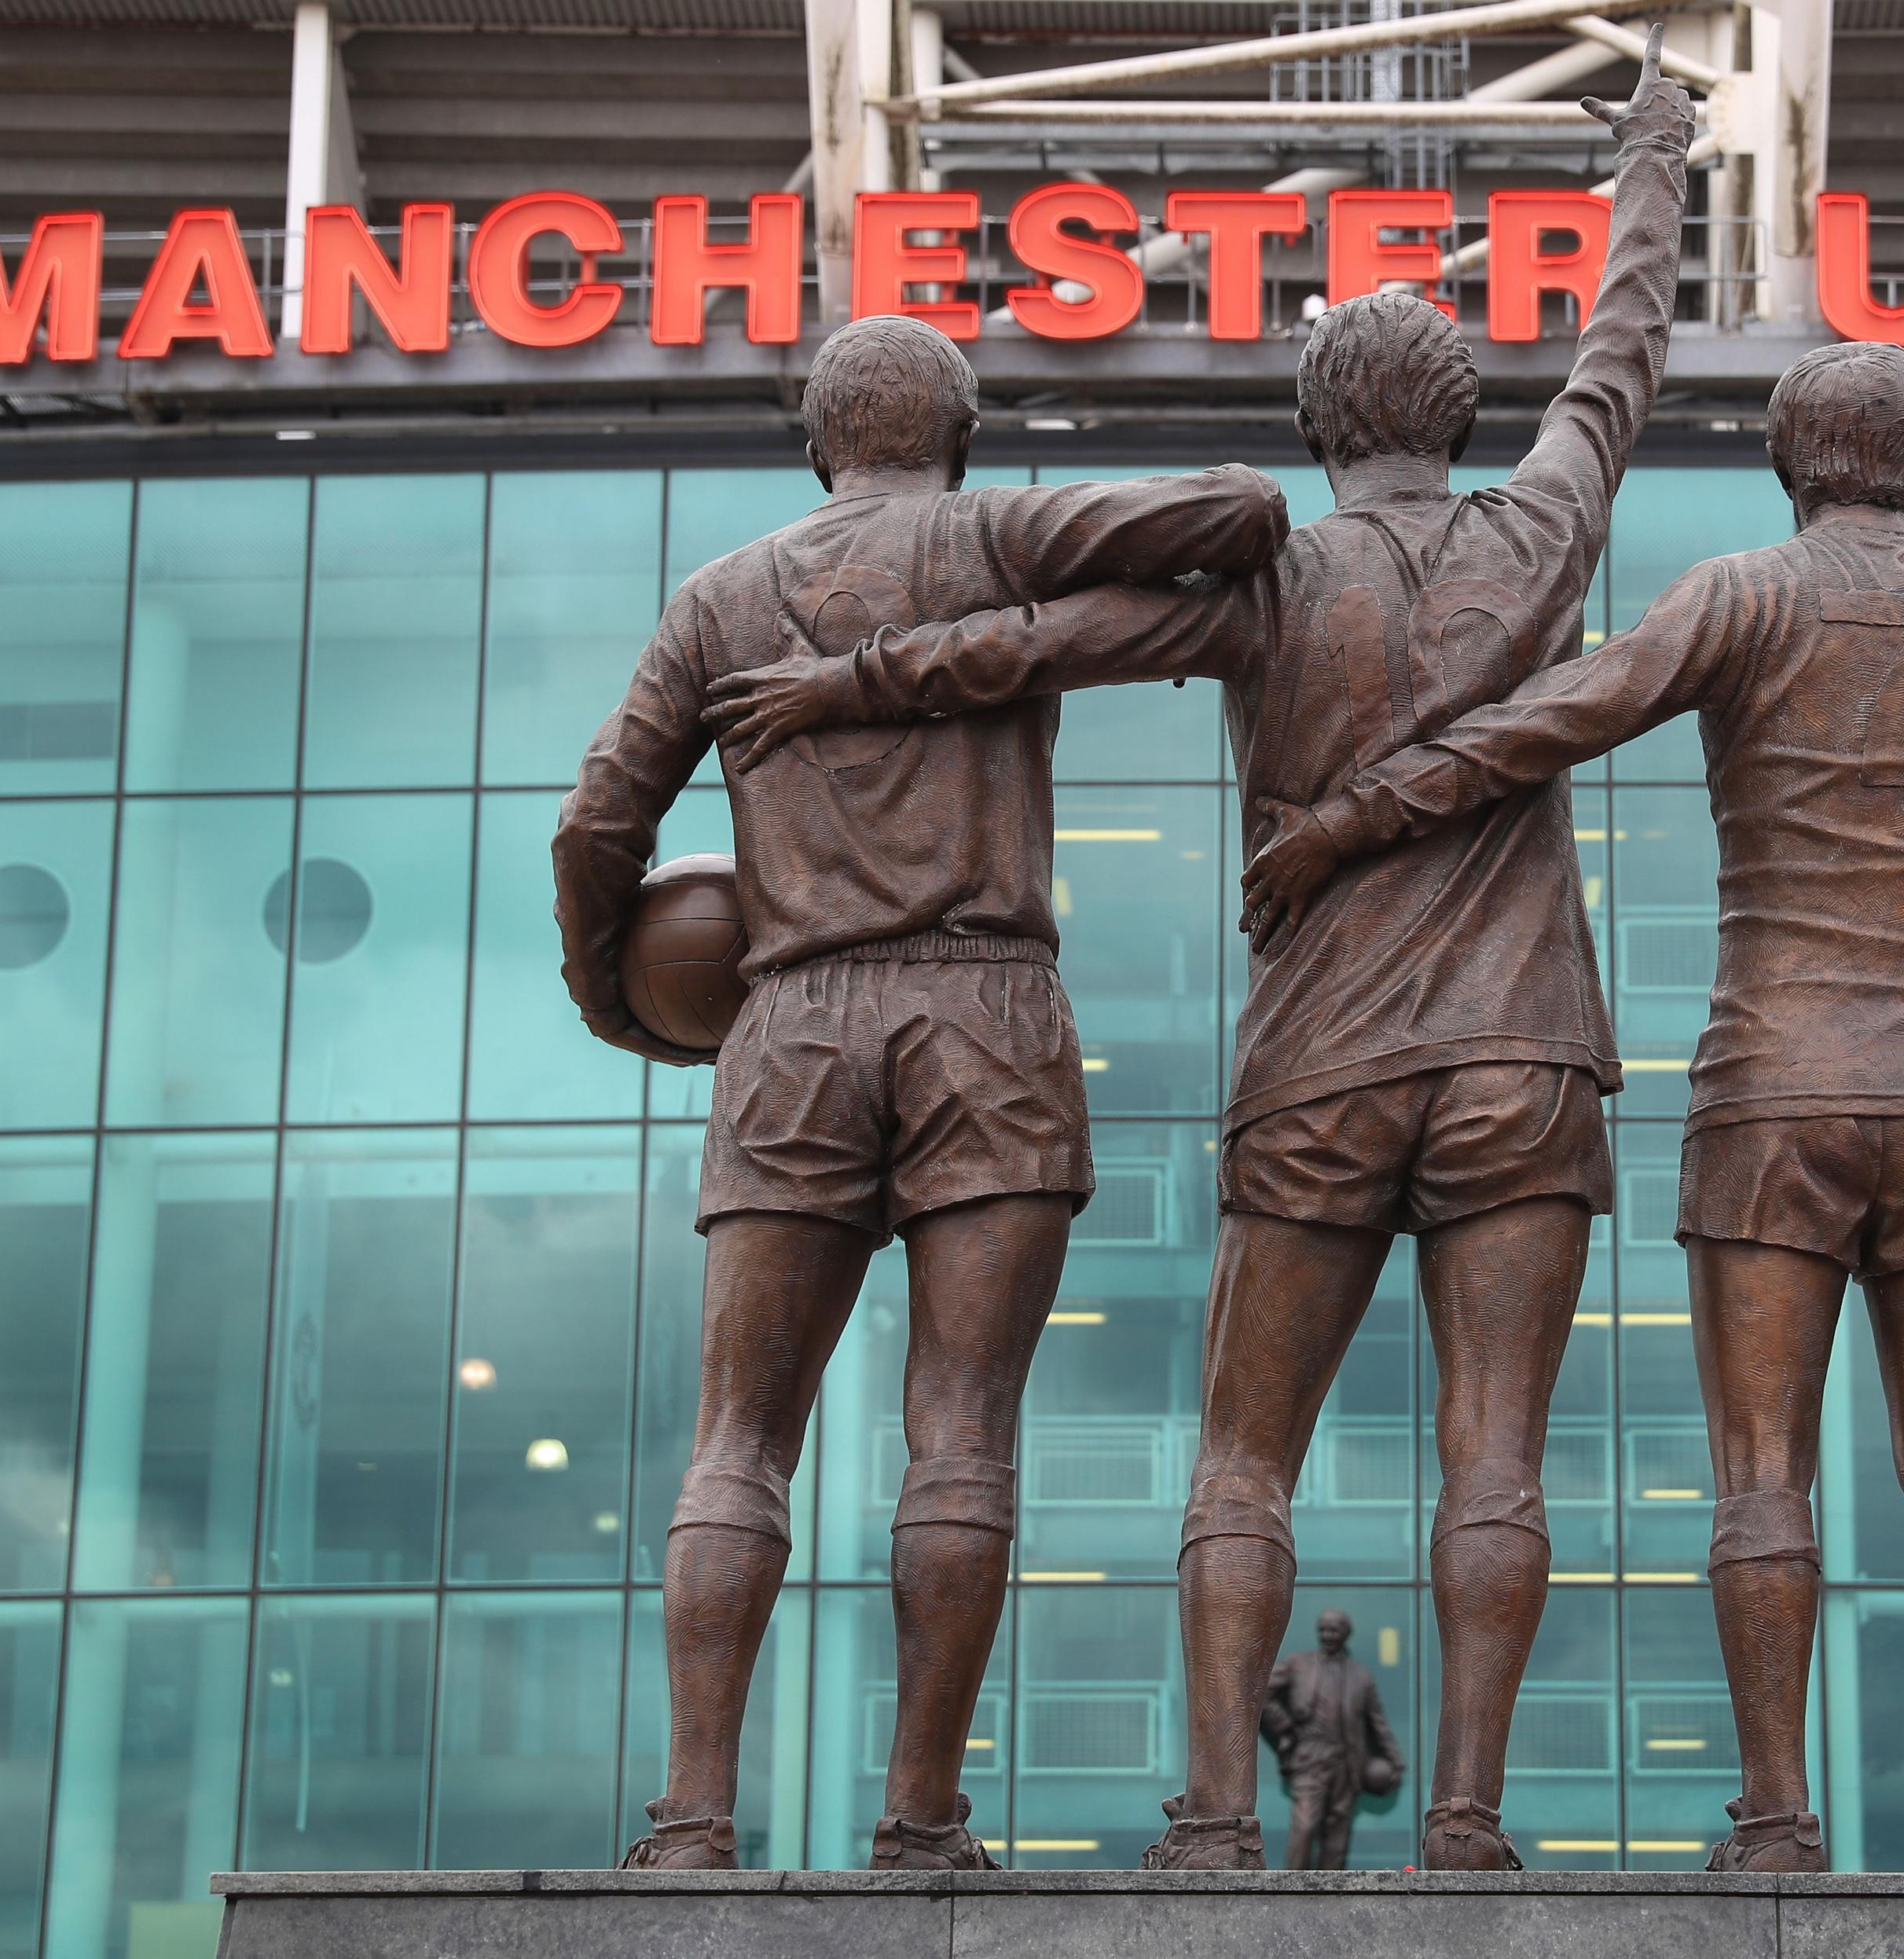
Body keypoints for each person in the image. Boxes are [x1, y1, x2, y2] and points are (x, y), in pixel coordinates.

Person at [698, 37, 1696, 1872]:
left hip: (1318, 1065)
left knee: (1244, 1462)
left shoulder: (1262, 582)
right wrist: (1649, 156)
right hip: (1522, 1054)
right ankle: (1463, 1820)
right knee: (1498, 1453)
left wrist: (837, 681)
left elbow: (1036, 643)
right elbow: (1620, 349)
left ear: (1317, 427)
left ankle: (1220, 1821)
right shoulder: (1541, 528)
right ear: (1459, 406)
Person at [1237, 340, 1904, 1875]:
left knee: (1764, 1471)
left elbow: (1547, 722)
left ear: (1787, 462)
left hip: (1774, 1093)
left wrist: (1352, 817)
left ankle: (1775, 1818)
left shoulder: (1739, 595)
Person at [550, 315, 1287, 1872]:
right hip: (987, 1008)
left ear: (821, 445)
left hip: (792, 1022)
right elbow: (1244, 512)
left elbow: (591, 826)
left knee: (737, 1436)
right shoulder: (997, 532)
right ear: (954, 436)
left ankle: (691, 1818)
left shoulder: (721, 596)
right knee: (962, 1431)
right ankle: (923, 1815)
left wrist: (614, 1000)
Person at [1260, 1608, 1405, 1870]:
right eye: (1323, 1629)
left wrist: (1395, 1760)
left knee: (1337, 1834)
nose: (1327, 1635)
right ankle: (1291, 1892)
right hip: (1309, 1755)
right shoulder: (1298, 1664)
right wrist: (1285, 1727)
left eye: (1333, 1630)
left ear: (1346, 1634)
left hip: (1346, 1760)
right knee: (1304, 1825)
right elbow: (1262, 1693)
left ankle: (1331, 1896)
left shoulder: (1361, 1677)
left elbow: (1378, 1723)